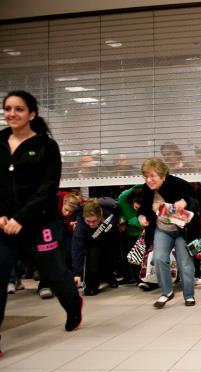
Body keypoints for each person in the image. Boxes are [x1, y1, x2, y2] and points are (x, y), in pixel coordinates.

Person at [0, 90, 84, 356]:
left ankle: (73, 307)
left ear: (31, 114)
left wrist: (20, 218)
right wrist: (2, 215)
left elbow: (47, 188)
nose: (12, 114)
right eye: (8, 108)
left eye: (19, 109)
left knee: (55, 273)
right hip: (4, 224)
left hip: (40, 223)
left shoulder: (46, 146)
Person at [138, 157, 200, 308]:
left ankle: (189, 295)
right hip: (162, 229)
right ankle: (166, 292)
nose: (149, 180)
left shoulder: (178, 184)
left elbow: (197, 200)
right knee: (159, 258)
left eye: (152, 176)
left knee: (185, 263)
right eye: (146, 176)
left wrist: (185, 202)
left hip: (182, 230)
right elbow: (143, 209)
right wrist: (141, 217)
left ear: (162, 175)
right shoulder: (146, 189)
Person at [71, 198, 121, 295]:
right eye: (88, 221)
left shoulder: (110, 212)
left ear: (100, 215)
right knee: (93, 260)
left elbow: (119, 210)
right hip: (93, 242)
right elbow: (77, 250)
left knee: (112, 259)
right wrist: (77, 273)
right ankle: (91, 286)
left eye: (94, 221)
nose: (91, 224)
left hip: (110, 237)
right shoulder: (80, 225)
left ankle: (109, 276)